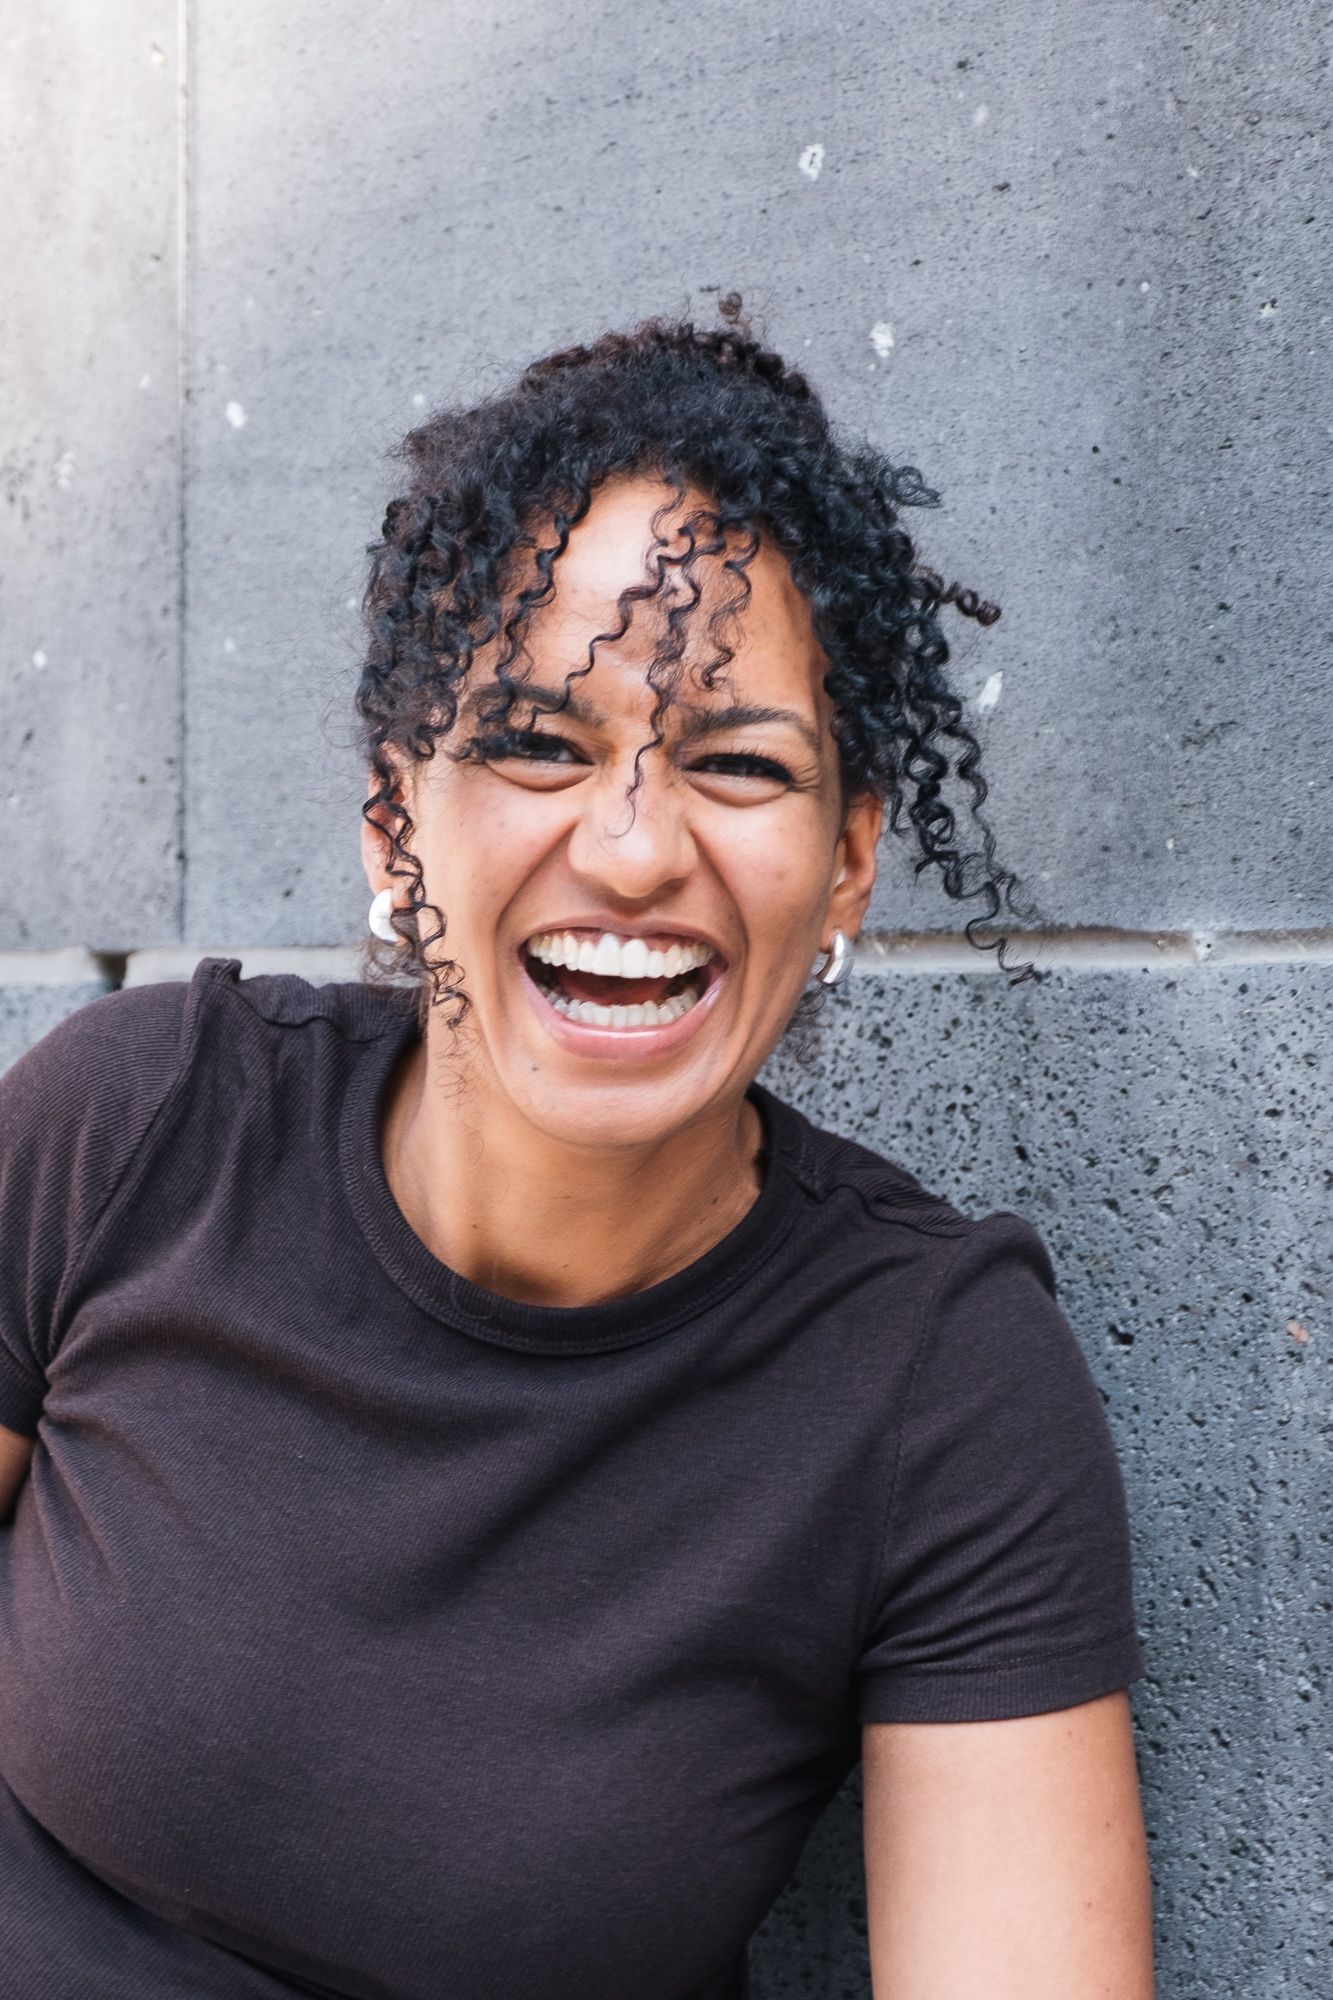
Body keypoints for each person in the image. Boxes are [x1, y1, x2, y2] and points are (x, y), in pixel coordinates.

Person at [0, 299, 1154, 1999]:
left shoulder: (933, 1384)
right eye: (536, 744)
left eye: (736, 764)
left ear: (846, 861)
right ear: (395, 820)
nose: (628, 851)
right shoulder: (143, 1123)